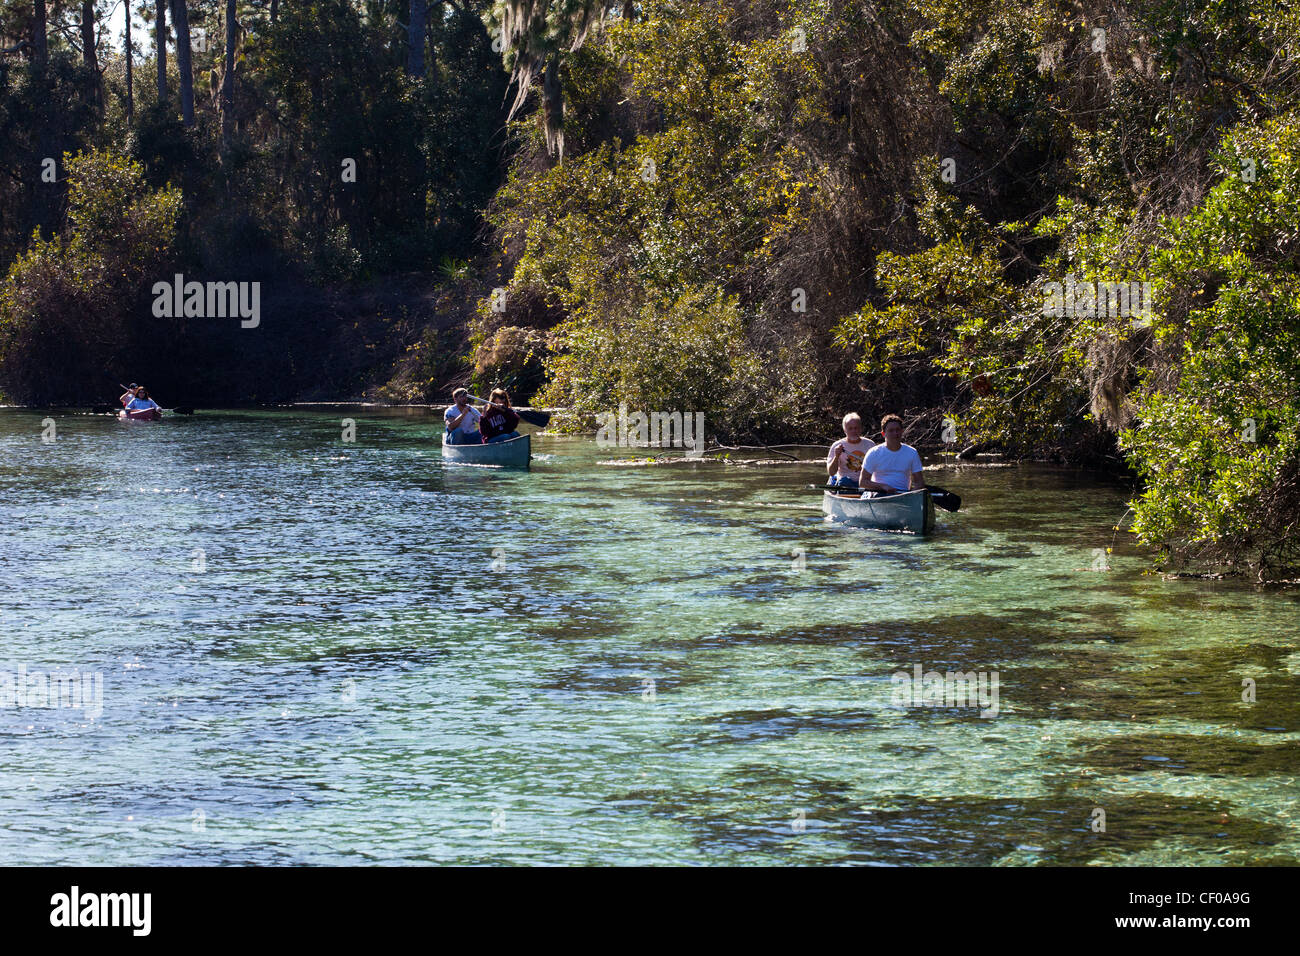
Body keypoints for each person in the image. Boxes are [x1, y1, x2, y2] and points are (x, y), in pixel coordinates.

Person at [858, 413, 925, 495]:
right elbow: (863, 482)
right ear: (883, 434)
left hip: (902, 494)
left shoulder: (912, 452)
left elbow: (919, 482)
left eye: (897, 430)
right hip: (879, 493)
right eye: (891, 430)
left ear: (902, 431)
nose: (895, 433)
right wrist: (883, 486)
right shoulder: (873, 453)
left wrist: (911, 494)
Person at [826, 412, 874, 490]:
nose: (853, 431)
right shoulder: (836, 445)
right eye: (850, 428)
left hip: (865, 482)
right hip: (846, 483)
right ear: (845, 430)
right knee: (844, 481)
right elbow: (831, 472)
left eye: (856, 428)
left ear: (861, 429)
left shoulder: (870, 445)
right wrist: (836, 456)